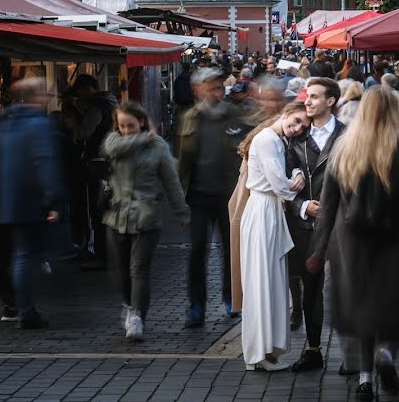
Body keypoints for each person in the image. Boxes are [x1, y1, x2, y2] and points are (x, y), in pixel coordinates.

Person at [308, 86, 399, 400]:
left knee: (361, 307)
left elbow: (329, 205)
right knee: (397, 303)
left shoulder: (343, 148)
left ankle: (365, 378)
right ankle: (387, 353)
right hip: (397, 240)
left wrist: (318, 249)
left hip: (350, 245)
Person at [102, 102, 190, 342]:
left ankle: (137, 315)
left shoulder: (159, 147)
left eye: (131, 125)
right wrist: (142, 139)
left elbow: (171, 182)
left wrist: (181, 212)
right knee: (120, 270)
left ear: (141, 122)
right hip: (116, 215)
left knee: (139, 268)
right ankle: (129, 306)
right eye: (122, 126)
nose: (127, 130)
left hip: (146, 215)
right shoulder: (114, 141)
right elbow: (110, 149)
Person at [241, 103, 310, 371]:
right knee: (263, 282)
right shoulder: (268, 140)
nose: (297, 128)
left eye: (302, 127)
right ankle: (259, 353)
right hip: (263, 211)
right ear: (285, 114)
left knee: (269, 282)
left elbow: (286, 175)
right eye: (295, 121)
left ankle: (265, 351)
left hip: (268, 211)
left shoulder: (276, 139)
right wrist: (296, 182)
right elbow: (280, 184)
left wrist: (296, 174)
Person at [177, 67, 247, 327]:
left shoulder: (234, 115)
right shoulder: (188, 118)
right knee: (197, 252)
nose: (218, 91)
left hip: (229, 196)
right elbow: (181, 161)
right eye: (212, 86)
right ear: (198, 90)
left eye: (219, 86)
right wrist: (178, 201)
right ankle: (196, 305)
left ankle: (231, 299)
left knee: (231, 251)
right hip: (197, 196)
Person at [285, 77, 346, 373]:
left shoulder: (348, 135)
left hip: (341, 225)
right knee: (311, 287)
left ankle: (353, 352)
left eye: (314, 97)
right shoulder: (296, 138)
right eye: (307, 96)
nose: (307, 101)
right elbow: (282, 185)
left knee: (347, 288)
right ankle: (312, 349)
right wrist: (301, 206)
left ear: (331, 101)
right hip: (309, 225)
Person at [0, 78, 65, 329]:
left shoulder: (7, 124)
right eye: (44, 93)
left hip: (11, 201)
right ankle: (29, 309)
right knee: (37, 253)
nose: (47, 98)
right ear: (34, 97)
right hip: (32, 199)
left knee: (21, 255)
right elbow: (43, 161)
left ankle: (24, 308)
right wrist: (53, 199)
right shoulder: (39, 124)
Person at [69, 74, 118, 268]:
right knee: (105, 208)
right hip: (110, 161)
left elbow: (84, 132)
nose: (79, 95)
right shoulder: (111, 103)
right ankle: (108, 253)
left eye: (80, 91)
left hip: (98, 163)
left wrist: (74, 125)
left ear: (89, 88)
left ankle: (101, 254)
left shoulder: (98, 107)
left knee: (97, 211)